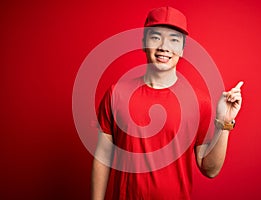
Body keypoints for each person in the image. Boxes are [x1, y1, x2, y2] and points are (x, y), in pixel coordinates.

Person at [91, 6, 243, 200]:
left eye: (174, 40)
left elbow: (210, 170)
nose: (164, 47)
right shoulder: (116, 94)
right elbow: (102, 157)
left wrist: (224, 124)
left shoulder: (199, 102)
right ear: (144, 42)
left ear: (182, 48)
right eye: (156, 37)